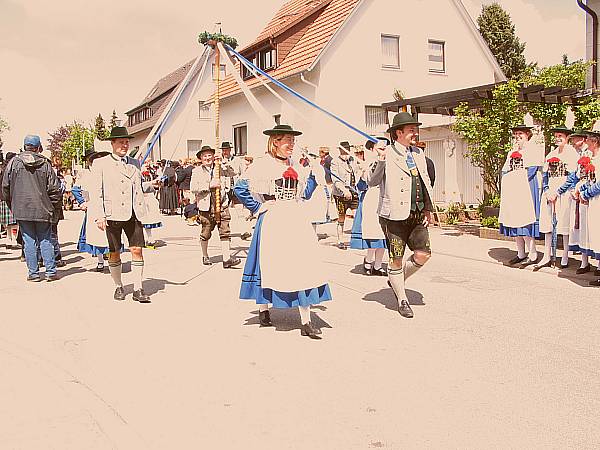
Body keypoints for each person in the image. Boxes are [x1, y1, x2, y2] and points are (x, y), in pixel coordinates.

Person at [234, 124, 332, 339]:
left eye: (293, 140)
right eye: (287, 140)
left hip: (295, 219)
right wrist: (259, 207)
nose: (291, 144)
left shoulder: (297, 165)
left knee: (302, 265)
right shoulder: (262, 165)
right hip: (273, 220)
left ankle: (306, 321)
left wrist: (315, 177)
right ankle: (263, 308)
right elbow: (239, 188)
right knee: (269, 263)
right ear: (275, 141)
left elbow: (303, 194)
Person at [365, 112, 434, 319]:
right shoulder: (387, 153)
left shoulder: (419, 154)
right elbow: (371, 181)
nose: (415, 133)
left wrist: (428, 209)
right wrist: (381, 160)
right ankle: (402, 299)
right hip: (393, 215)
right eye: (411, 130)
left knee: (423, 254)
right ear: (399, 133)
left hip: (417, 214)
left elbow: (425, 183)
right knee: (396, 259)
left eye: (415, 129)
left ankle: (396, 279)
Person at [89, 126, 154, 303]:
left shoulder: (135, 163)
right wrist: (99, 215)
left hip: (134, 213)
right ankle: (118, 286)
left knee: (137, 250)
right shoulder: (100, 163)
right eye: (121, 142)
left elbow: (138, 187)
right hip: (112, 215)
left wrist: (154, 184)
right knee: (115, 252)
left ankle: (138, 288)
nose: (124, 145)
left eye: (127, 142)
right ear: (112, 143)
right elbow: (96, 191)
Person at [1, 135, 62, 281]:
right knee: (45, 240)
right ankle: (50, 271)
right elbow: (55, 189)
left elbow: (5, 187)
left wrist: (13, 205)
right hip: (43, 208)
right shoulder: (45, 164)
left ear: (25, 146)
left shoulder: (14, 163)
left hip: (22, 209)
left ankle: (33, 273)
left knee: (28, 241)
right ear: (38, 147)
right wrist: (54, 207)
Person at [533, 126, 579, 270]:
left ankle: (564, 255)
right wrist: (547, 190)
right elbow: (545, 176)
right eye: (556, 136)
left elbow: (572, 177)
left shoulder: (572, 154)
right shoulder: (550, 154)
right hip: (550, 192)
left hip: (563, 192)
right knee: (548, 224)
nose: (558, 138)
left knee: (563, 223)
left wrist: (558, 192)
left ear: (567, 138)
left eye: (561, 136)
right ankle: (547, 254)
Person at [498, 124, 543, 267]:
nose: (518, 138)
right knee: (514, 220)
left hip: (526, 188)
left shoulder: (532, 150)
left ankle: (533, 253)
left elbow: (532, 170)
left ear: (527, 135)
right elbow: (505, 170)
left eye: (520, 135)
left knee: (525, 220)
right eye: (516, 135)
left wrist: (517, 179)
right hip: (513, 189)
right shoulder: (512, 151)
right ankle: (520, 253)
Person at [190, 145, 240, 268]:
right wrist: (209, 185)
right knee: (206, 232)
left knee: (225, 231)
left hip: (221, 204)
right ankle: (205, 255)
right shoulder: (196, 171)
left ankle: (227, 259)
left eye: (209, 155)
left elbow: (234, 172)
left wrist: (223, 161)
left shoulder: (220, 168)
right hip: (206, 206)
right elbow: (193, 188)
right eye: (204, 156)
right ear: (201, 158)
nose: (207, 158)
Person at [350, 139, 388, 275]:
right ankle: (368, 260)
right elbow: (365, 184)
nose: (383, 148)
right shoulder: (369, 164)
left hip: (386, 198)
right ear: (372, 149)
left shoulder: (390, 161)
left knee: (384, 235)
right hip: (373, 198)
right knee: (374, 233)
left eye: (385, 146)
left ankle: (378, 265)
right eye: (379, 147)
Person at [71, 148, 112, 272]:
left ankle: (111, 259)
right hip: (94, 208)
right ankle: (100, 261)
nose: (95, 161)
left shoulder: (108, 173)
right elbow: (75, 189)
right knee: (97, 235)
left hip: (108, 207)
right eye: (93, 159)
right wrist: (84, 202)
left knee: (109, 235)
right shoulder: (86, 174)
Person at [330, 141, 360, 249]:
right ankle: (340, 240)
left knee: (357, 215)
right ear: (340, 151)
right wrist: (344, 191)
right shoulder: (335, 162)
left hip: (353, 192)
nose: (345, 153)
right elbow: (335, 179)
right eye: (343, 151)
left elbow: (358, 173)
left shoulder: (353, 160)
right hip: (340, 194)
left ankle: (356, 239)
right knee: (341, 217)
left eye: (347, 150)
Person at [0, 152, 18, 249]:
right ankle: (14, 240)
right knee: (14, 222)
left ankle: (8, 239)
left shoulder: (2, 168)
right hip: (11, 197)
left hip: (2, 198)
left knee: (7, 222)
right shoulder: (11, 169)